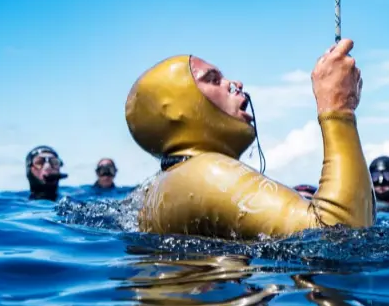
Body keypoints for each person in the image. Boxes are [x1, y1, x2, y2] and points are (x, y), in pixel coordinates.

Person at [125, 39, 375, 239]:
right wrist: (338, 109)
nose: (235, 83)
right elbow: (341, 235)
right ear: (173, 109)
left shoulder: (168, 180)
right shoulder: (207, 172)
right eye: (213, 79)